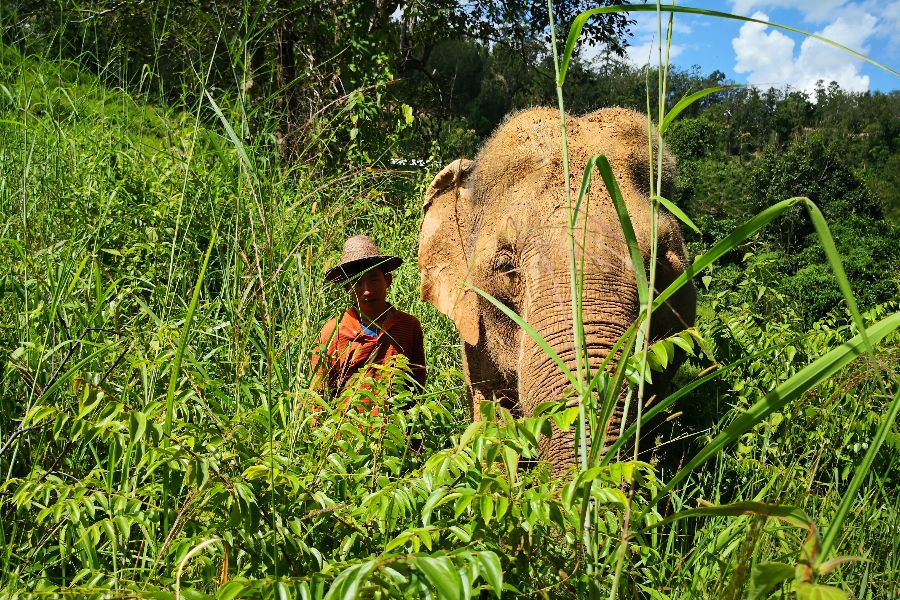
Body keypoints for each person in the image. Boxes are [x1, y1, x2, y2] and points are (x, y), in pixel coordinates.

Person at [310, 235, 426, 400]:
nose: (367, 291)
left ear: (387, 280)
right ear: (347, 288)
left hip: (397, 424)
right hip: (346, 425)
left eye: (373, 280)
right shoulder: (332, 333)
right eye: (357, 282)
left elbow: (417, 389)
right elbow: (318, 396)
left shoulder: (409, 326)